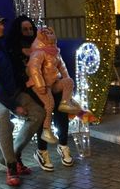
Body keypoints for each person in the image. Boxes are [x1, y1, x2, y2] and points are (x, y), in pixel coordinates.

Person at [0, 11, 44, 186]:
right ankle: (11, 166)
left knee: (39, 113)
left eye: (2, 23)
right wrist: (14, 106)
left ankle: (13, 155)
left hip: (13, 92)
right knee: (3, 116)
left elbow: (11, 70)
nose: (1, 26)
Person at [7, 16, 79, 172]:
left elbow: (58, 64)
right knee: (46, 106)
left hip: (49, 82)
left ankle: (63, 145)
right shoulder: (14, 47)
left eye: (30, 29)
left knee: (61, 108)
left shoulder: (44, 46)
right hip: (29, 86)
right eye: (24, 29)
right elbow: (21, 72)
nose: (28, 32)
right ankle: (42, 151)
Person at [26, 26, 82, 144]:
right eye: (47, 34)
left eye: (51, 33)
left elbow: (62, 67)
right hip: (40, 84)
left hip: (53, 82)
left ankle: (65, 103)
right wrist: (40, 84)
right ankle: (46, 130)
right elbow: (34, 68)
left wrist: (66, 78)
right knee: (49, 103)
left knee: (69, 82)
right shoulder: (39, 52)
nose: (50, 36)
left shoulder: (55, 52)